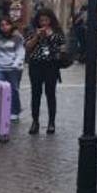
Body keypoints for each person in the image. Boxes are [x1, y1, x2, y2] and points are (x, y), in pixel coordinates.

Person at [25, 8, 65, 136]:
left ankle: (51, 122)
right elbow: (27, 46)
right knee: (36, 93)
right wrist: (37, 36)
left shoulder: (57, 31)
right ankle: (35, 121)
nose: (44, 23)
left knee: (50, 93)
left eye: (46, 20)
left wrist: (50, 35)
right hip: (36, 64)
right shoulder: (31, 30)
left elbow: (62, 45)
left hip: (51, 65)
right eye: (41, 20)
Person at [0, 18, 26, 122]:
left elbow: (20, 51)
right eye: (2, 25)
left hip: (13, 68)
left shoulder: (17, 37)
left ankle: (14, 111)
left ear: (11, 25)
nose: (4, 27)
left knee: (13, 90)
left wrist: (16, 64)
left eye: (7, 24)